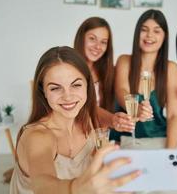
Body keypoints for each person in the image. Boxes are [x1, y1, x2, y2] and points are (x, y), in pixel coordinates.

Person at [9, 46, 139, 194]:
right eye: (55, 88)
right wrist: (76, 188)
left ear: (87, 85)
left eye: (76, 85)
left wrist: (114, 120)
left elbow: (95, 110)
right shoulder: (37, 136)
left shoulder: (87, 119)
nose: (68, 96)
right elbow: (42, 184)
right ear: (43, 91)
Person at [109, 9, 177, 148]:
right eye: (144, 29)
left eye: (156, 31)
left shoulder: (171, 68)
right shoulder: (124, 61)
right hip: (125, 139)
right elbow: (121, 91)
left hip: (158, 139)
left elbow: (174, 115)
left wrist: (169, 152)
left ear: (164, 36)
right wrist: (137, 109)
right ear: (137, 33)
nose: (149, 35)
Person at [74, 17, 134, 133]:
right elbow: (85, 106)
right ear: (81, 38)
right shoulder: (69, 69)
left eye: (103, 42)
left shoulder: (108, 71)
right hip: (75, 135)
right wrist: (112, 119)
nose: (98, 46)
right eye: (92, 39)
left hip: (101, 136)